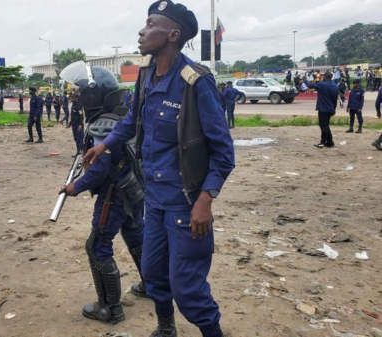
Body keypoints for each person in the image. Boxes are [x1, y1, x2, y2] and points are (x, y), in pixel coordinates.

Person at [82, 2, 235, 336]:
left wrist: (205, 201)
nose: (141, 30)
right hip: (154, 203)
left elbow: (224, 152)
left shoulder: (196, 82)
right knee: (153, 275)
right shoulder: (146, 74)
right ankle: (166, 329)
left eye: (150, 24)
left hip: (186, 204)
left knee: (189, 291)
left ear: (172, 34)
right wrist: (103, 145)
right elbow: (130, 121)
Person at [59, 62, 147, 324]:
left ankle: (110, 308)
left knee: (97, 245)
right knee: (135, 234)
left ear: (92, 94)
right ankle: (152, 286)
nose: (75, 96)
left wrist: (75, 186)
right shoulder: (121, 116)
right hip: (133, 190)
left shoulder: (103, 126)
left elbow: (100, 171)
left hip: (114, 193)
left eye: (79, 92)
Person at [305, 72, 338, 148]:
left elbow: (310, 85)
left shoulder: (322, 84)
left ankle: (326, 142)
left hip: (323, 108)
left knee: (323, 126)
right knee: (325, 125)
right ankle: (327, 142)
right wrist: (334, 109)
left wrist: (304, 80)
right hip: (330, 108)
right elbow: (335, 100)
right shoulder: (335, 86)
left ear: (325, 77)